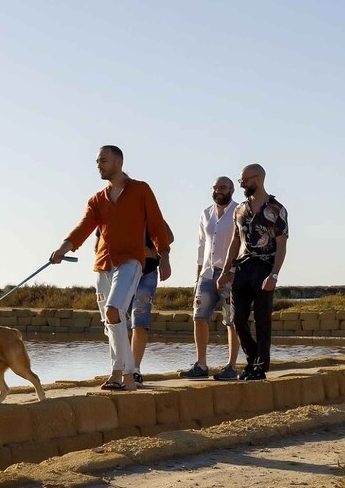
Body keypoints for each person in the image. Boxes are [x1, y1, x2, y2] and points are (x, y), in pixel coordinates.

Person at [50, 145, 171, 391]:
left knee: (115, 310)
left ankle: (126, 374)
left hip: (131, 260)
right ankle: (120, 373)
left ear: (118, 162)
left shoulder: (141, 190)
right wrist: (63, 249)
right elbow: (83, 227)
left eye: (103, 161)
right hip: (103, 264)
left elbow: (157, 224)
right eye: (97, 161)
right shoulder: (97, 200)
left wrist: (164, 255)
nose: (98, 165)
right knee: (110, 320)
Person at [216, 164, 288, 381]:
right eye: (240, 182)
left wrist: (274, 274)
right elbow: (235, 241)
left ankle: (259, 367)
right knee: (237, 319)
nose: (242, 185)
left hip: (265, 266)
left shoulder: (276, 209)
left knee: (262, 320)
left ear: (258, 178)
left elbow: (282, 245)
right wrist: (226, 270)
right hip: (242, 268)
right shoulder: (240, 210)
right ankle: (253, 359)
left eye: (244, 181)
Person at [180, 176, 242, 380]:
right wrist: (197, 275)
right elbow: (200, 246)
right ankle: (201, 364)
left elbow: (243, 244)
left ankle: (231, 366)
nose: (218, 191)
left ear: (232, 189)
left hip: (230, 274)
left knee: (231, 321)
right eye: (215, 188)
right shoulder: (206, 213)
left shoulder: (240, 211)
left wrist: (232, 271)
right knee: (199, 317)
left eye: (223, 187)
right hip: (207, 273)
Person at [130, 223, 174, 387]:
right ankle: (121, 367)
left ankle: (135, 369)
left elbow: (169, 236)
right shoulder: (117, 206)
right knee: (118, 321)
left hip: (147, 271)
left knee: (139, 320)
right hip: (123, 270)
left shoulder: (152, 212)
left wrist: (155, 252)